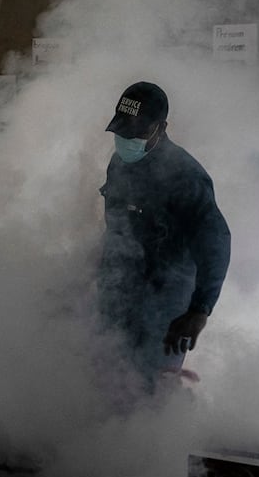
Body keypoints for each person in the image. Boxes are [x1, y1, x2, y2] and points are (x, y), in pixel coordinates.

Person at [97, 81, 231, 392]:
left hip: (167, 298)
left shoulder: (186, 177)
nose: (127, 140)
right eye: (122, 132)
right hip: (120, 288)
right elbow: (116, 226)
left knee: (152, 386)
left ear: (161, 128)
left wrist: (199, 310)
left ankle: (156, 437)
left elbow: (215, 241)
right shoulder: (119, 163)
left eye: (136, 134)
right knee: (107, 377)